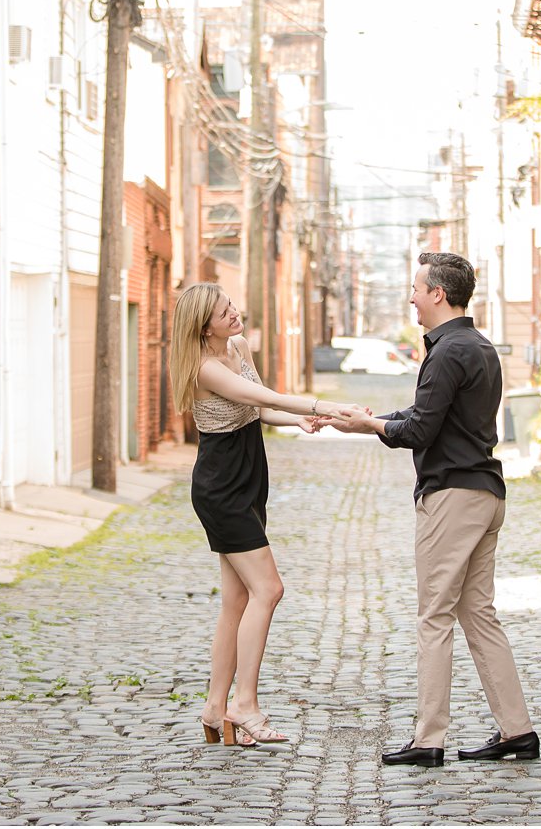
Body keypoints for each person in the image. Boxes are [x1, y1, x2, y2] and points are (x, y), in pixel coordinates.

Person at [324, 252, 539, 768]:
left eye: (417, 288)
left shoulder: (445, 353)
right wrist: (373, 421)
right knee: (478, 615)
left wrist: (367, 426)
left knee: (434, 615)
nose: (413, 297)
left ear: (439, 293)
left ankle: (429, 739)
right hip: (486, 493)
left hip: (453, 497)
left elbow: (419, 430)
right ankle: (517, 730)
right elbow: (429, 418)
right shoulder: (480, 347)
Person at [169, 282, 362, 748]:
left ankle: (216, 709)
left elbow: (256, 405)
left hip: (250, 477)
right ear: (203, 326)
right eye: (224, 312)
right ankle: (245, 705)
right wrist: (325, 406)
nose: (235, 314)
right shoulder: (205, 367)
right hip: (220, 486)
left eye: (232, 305)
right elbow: (271, 396)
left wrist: (296, 420)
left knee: (236, 601)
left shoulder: (237, 345)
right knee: (269, 589)